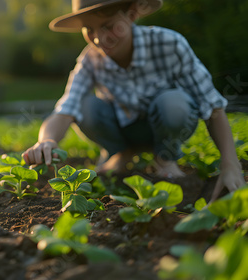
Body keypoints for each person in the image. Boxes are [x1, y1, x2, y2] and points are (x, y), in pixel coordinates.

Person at [22, 0, 245, 201]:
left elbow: (212, 105)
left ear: (131, 15)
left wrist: (230, 164)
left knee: (174, 103)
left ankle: (164, 156)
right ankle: (119, 153)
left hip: (165, 124)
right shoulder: (90, 59)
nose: (99, 39)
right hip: (123, 130)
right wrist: (47, 141)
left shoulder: (169, 44)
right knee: (85, 106)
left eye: (108, 25)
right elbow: (66, 108)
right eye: (89, 30)